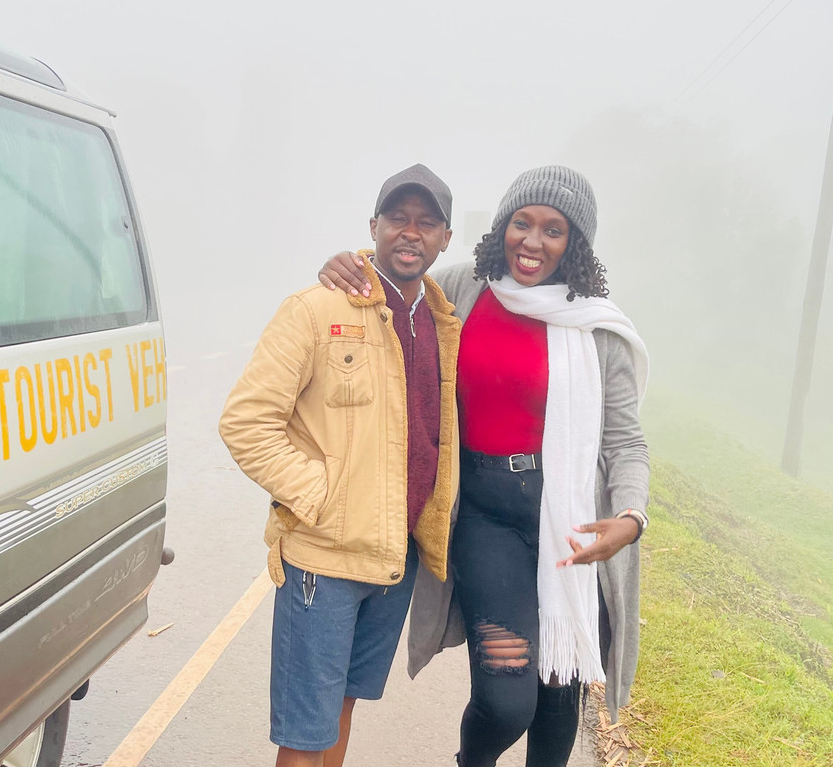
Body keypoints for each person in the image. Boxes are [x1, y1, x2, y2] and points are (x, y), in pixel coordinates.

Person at [318, 165, 649, 767]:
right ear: (502, 226)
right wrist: (349, 264)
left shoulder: (597, 330)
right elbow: (394, 283)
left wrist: (630, 517)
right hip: (484, 516)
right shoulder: (463, 287)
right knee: (506, 700)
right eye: (522, 222)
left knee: (556, 698)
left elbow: (625, 443)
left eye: (554, 229)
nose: (532, 241)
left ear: (576, 242)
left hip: (567, 523)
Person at [219, 163, 462, 767]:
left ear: (445, 239)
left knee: (344, 706)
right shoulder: (315, 308)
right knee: (305, 731)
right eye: (398, 220)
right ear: (373, 226)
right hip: (323, 561)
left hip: (394, 556)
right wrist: (319, 495)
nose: (411, 233)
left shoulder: (440, 321)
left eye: (426, 223)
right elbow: (246, 423)